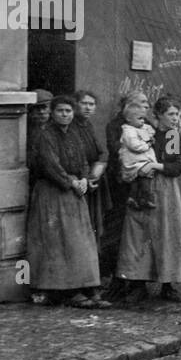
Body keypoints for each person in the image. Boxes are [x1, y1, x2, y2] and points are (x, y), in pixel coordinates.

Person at [25, 95, 110, 309]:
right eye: (61, 111)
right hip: (52, 193)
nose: (65, 115)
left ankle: (87, 287)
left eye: (69, 111)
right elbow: (49, 164)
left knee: (81, 242)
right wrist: (70, 182)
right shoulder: (45, 135)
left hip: (74, 193)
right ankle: (67, 291)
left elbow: (82, 159)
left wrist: (83, 178)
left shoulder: (74, 134)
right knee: (60, 243)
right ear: (53, 113)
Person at [118, 95, 181, 303]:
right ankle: (138, 283)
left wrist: (155, 166)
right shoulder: (144, 131)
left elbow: (176, 165)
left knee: (166, 234)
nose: (175, 119)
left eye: (177, 114)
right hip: (142, 186)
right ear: (158, 115)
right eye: (170, 114)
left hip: (165, 188)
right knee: (139, 234)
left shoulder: (173, 136)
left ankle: (168, 284)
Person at [100, 92, 148, 301]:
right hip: (120, 185)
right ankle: (117, 280)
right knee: (117, 232)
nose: (146, 108)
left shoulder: (146, 124)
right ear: (128, 107)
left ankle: (138, 283)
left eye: (146, 104)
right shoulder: (115, 126)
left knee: (139, 233)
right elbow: (116, 149)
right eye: (142, 104)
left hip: (140, 184)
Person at [72, 90, 109, 244]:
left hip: (92, 180)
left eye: (91, 104)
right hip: (79, 181)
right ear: (75, 105)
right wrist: (86, 178)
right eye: (84, 103)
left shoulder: (88, 126)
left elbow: (101, 152)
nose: (88, 108)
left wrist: (96, 174)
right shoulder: (71, 127)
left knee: (93, 221)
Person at [120, 108, 159, 211]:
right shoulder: (128, 131)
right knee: (144, 177)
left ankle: (133, 197)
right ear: (129, 119)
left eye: (144, 118)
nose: (142, 121)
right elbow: (135, 146)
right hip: (134, 159)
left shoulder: (142, 127)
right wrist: (148, 144)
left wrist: (150, 135)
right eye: (139, 118)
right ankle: (145, 198)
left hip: (140, 159)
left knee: (137, 179)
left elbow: (152, 131)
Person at [26, 90, 54, 188]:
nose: (41, 112)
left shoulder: (56, 129)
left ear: (51, 109)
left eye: (44, 108)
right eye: (36, 108)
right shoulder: (26, 130)